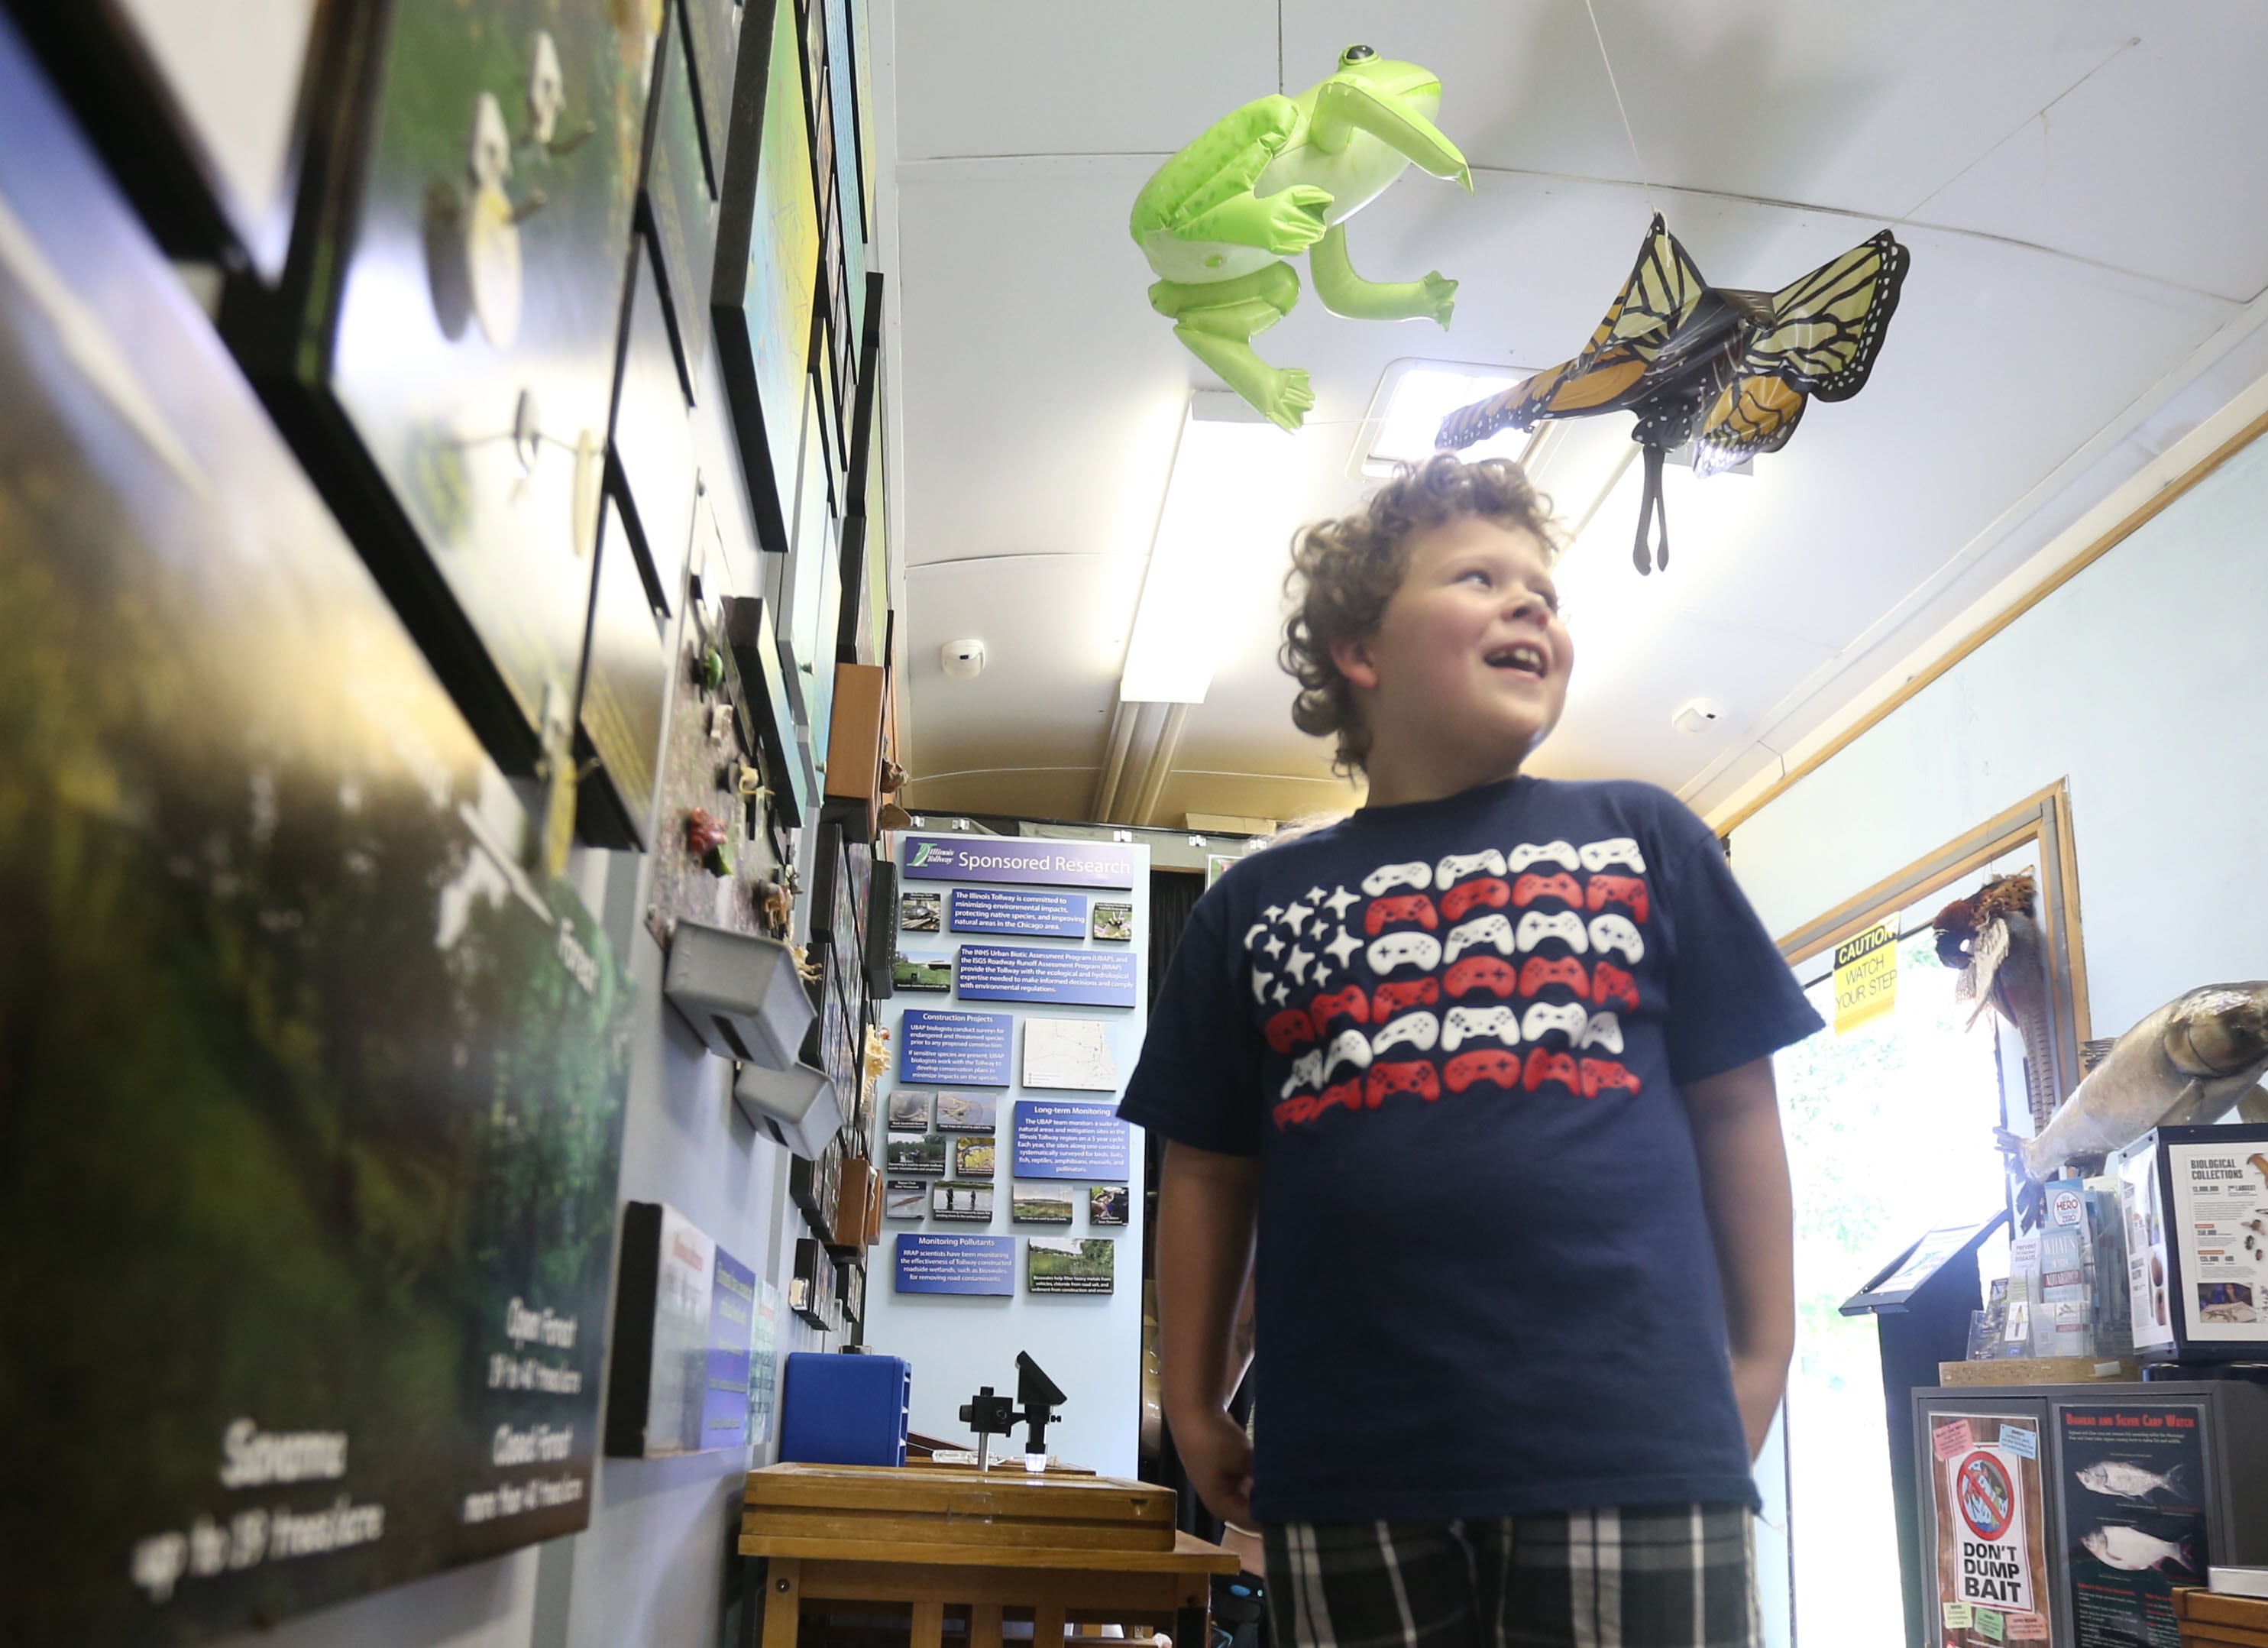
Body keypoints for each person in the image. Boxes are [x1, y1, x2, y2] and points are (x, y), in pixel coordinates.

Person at [1117, 455, 1821, 1648]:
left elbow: (1737, 1113)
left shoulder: (1642, 833)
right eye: (1479, 575)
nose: (1531, 602)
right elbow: (1207, 1168)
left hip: (1632, 1440)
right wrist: (1189, 1399)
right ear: (1359, 645)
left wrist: (1762, 1351)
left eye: (1543, 587)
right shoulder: (1252, 901)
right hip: (1346, 1462)